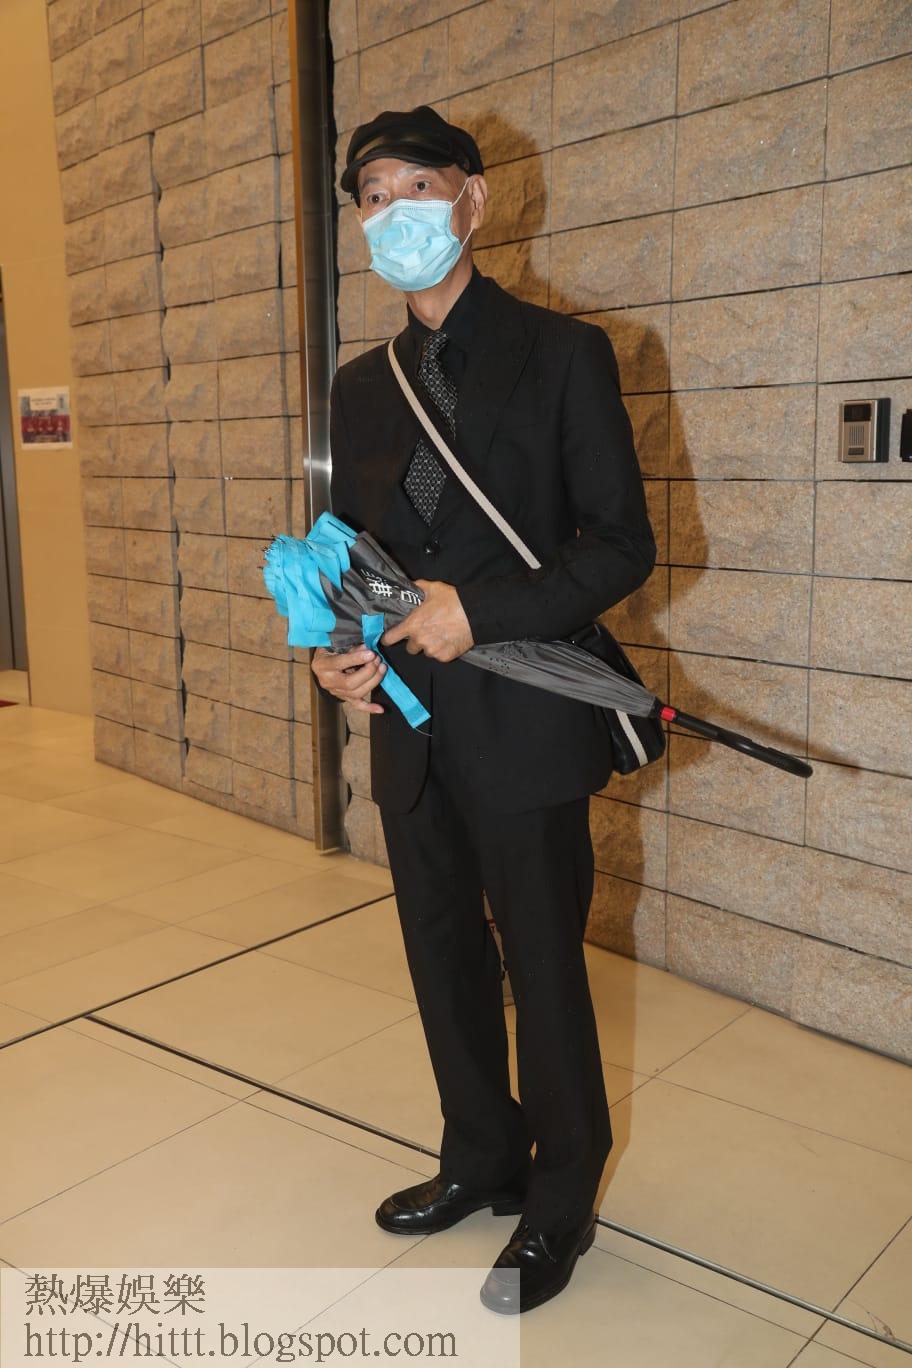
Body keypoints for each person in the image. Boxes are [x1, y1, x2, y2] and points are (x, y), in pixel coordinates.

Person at [312, 105, 657, 1314]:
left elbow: (620, 545)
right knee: (441, 951)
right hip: (409, 724)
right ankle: (480, 1154)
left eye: (417, 187)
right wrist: (339, 652)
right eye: (373, 197)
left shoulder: (564, 354)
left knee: (545, 965)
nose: (394, 213)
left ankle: (561, 1195)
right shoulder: (361, 387)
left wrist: (483, 613)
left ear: (473, 199)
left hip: (527, 719)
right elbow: (352, 554)